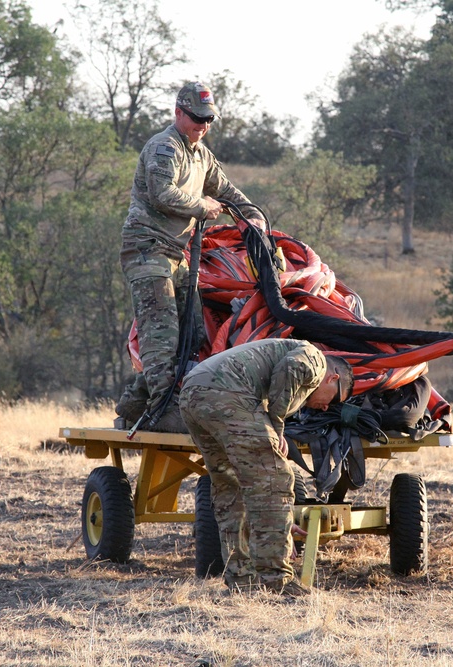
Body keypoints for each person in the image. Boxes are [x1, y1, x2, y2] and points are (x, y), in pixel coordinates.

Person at [116, 81, 266, 433]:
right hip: (148, 249)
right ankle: (161, 411)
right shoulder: (164, 147)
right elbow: (162, 192)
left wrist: (249, 214)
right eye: (197, 119)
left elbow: (224, 189)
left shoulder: (201, 154)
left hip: (175, 254)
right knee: (161, 335)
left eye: (208, 120)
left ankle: (136, 401)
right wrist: (203, 207)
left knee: (194, 331)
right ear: (178, 113)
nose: (203, 127)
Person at [178, 338, 353, 596]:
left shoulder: (281, 348)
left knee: (231, 488)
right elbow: (291, 367)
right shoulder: (315, 358)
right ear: (332, 378)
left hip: (192, 393)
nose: (327, 407)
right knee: (276, 481)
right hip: (227, 393)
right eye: (335, 400)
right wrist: (276, 425)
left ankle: (241, 580)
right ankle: (276, 581)